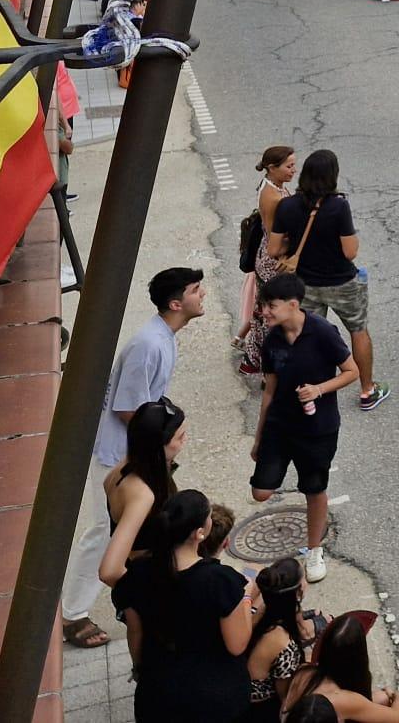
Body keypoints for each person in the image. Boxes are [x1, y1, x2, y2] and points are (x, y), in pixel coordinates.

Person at [59, 267, 205, 649]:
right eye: (195, 290)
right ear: (176, 303)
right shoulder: (149, 345)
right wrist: (162, 442)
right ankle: (72, 614)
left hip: (137, 451)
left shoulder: (163, 338)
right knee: (103, 532)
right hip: (118, 453)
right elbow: (128, 409)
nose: (202, 294)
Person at [109, 489, 253, 721]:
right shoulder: (220, 581)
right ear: (199, 533)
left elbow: (135, 632)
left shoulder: (139, 572)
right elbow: (237, 645)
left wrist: (140, 669)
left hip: (157, 695)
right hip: (213, 699)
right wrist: (246, 598)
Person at [252, 274, 359, 584]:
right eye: (263, 305)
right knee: (260, 492)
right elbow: (269, 390)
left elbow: (351, 371)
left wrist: (319, 389)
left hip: (317, 429)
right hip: (279, 425)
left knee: (314, 489)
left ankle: (314, 550)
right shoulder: (272, 340)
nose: (264, 312)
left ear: (293, 305)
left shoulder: (323, 332)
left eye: (270, 306)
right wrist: (259, 436)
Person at [267, 150, 388, 411]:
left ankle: (309, 392)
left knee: (307, 336)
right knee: (358, 330)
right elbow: (350, 252)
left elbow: (274, 249)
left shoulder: (287, 206)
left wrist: (295, 244)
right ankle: (367, 390)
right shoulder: (338, 206)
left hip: (305, 285)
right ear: (332, 176)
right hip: (342, 283)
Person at [96, 397, 186, 586]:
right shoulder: (142, 495)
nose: (185, 441)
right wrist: (142, 595)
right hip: (153, 577)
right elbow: (109, 571)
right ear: (158, 446)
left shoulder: (125, 466)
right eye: (180, 437)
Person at [237, 145, 297, 375]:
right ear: (272, 168)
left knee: (264, 311)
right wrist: (293, 255)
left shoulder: (274, 185)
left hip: (270, 256)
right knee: (273, 315)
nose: (293, 170)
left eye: (293, 165)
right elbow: (274, 239)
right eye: (289, 166)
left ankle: (255, 359)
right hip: (274, 261)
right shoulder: (271, 196)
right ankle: (268, 365)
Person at [284, 611, 399, 721]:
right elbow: (398, 717)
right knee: (384, 699)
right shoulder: (344, 700)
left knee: (379, 699)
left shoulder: (304, 670)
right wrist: (396, 695)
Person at [243, 557, 318, 723]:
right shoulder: (284, 644)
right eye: (304, 578)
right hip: (260, 710)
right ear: (298, 592)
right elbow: (286, 698)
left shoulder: (264, 609)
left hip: (241, 689)